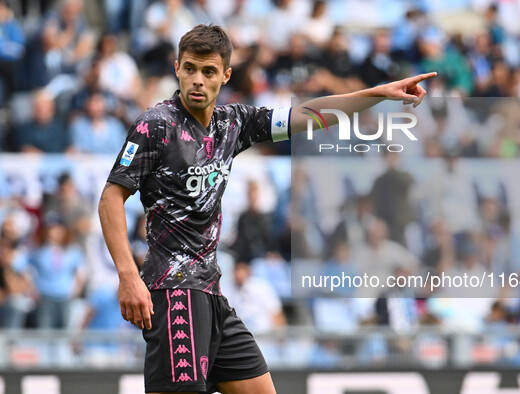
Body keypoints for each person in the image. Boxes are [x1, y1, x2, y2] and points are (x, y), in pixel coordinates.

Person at [98, 24, 435, 394]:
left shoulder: (234, 123)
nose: (197, 80)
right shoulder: (156, 125)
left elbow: (307, 114)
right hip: (173, 290)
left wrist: (376, 95)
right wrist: (128, 276)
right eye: (190, 68)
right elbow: (111, 199)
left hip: (211, 291)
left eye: (208, 71)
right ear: (177, 68)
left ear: (225, 75)